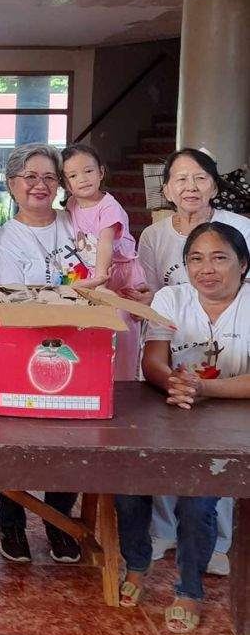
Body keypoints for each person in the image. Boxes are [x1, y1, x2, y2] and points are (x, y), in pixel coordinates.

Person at [116, 221, 250, 633]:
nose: (206, 269)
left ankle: (189, 590)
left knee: (197, 502)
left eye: (219, 258)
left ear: (243, 264)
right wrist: (172, 381)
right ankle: (136, 565)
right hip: (170, 410)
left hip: (233, 422)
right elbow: (153, 360)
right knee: (127, 484)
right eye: (196, 259)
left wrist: (204, 387)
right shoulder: (172, 297)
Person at [129, 148, 250, 577]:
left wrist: (202, 387)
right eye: (180, 180)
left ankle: (216, 541)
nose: (190, 187)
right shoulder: (156, 240)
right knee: (166, 442)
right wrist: (178, 382)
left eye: (199, 178)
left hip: (230, 382)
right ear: (166, 190)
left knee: (221, 463)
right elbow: (148, 294)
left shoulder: (242, 230)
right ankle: (163, 533)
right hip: (175, 365)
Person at [0, 143, 81, 564]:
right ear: (13, 184)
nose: (40, 185)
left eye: (49, 177)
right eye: (30, 176)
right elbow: (13, 300)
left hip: (80, 348)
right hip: (23, 351)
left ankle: (59, 521)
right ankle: (10, 519)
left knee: (72, 439)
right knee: (17, 440)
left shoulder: (77, 223)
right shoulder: (5, 237)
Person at [61, 143, 147, 380]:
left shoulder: (110, 207)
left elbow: (105, 242)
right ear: (67, 184)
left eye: (88, 171)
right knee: (96, 327)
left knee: (124, 324)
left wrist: (99, 281)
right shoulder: (72, 204)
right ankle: (95, 378)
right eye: (73, 175)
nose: (83, 179)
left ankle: (125, 378)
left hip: (121, 271)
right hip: (95, 271)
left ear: (101, 172)